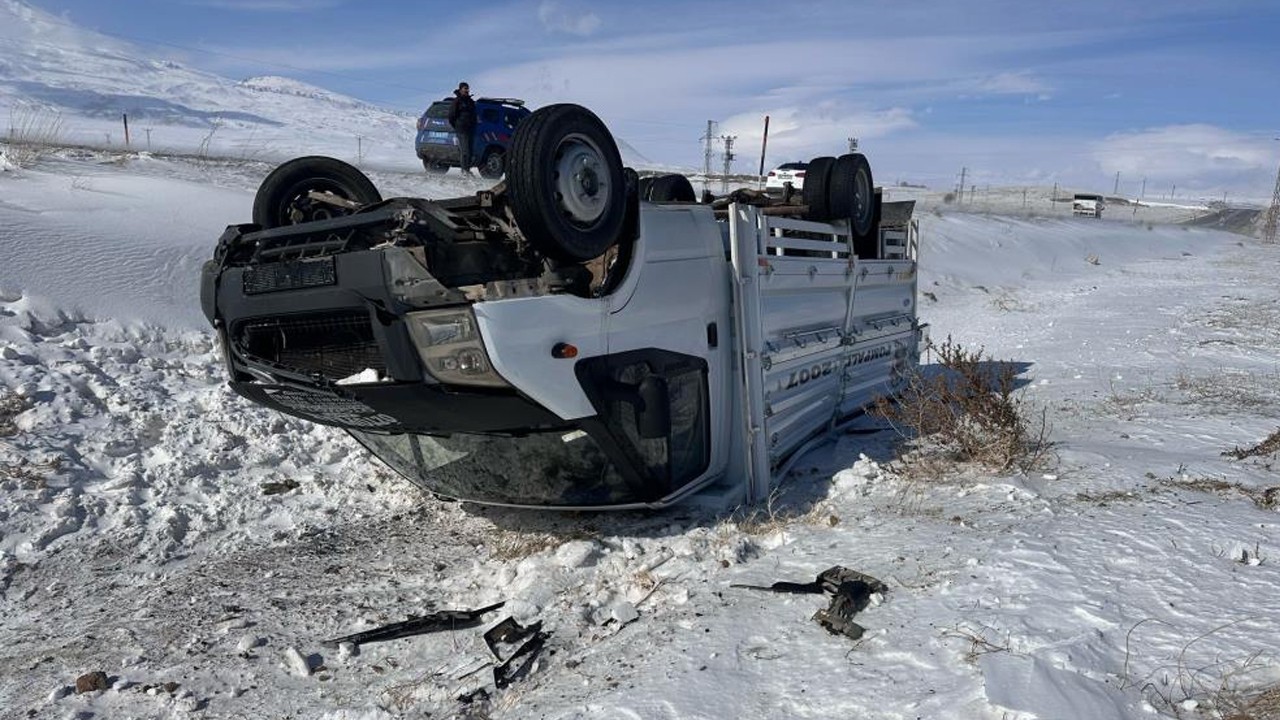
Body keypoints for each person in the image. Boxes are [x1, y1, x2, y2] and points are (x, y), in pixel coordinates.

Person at [448, 81, 477, 173]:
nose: (467, 90)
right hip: (461, 129)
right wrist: (457, 125)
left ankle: (467, 169)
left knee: (470, 151)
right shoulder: (457, 101)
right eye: (465, 88)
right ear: (460, 90)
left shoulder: (470, 102)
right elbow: (451, 116)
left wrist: (474, 122)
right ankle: (464, 170)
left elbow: (474, 114)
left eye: (467, 88)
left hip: (470, 129)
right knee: (465, 151)